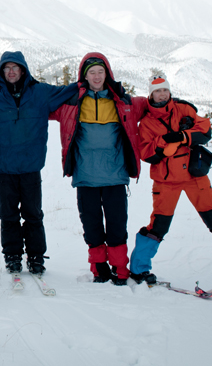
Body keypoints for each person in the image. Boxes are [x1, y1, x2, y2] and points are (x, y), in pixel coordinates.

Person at [128, 74, 212, 284]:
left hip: (194, 176)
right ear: (151, 95)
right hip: (165, 181)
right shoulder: (146, 122)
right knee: (158, 226)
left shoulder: (183, 109)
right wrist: (165, 142)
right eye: (157, 91)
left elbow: (205, 129)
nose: (162, 94)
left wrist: (184, 137)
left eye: (165, 90)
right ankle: (139, 269)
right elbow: (146, 153)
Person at [0, 51, 77, 275]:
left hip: (30, 166)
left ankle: (36, 256)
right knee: (8, 215)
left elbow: (69, 92)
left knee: (33, 214)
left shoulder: (40, 93)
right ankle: (12, 256)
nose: (11, 72)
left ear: (23, 70)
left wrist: (89, 81)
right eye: (6, 68)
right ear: (2, 72)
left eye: (15, 67)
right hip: (5, 167)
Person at [50, 52, 146, 285]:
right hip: (85, 176)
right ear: (84, 76)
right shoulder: (71, 103)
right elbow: (37, 106)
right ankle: (99, 268)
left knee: (117, 226)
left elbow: (156, 103)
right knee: (92, 227)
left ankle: (120, 269)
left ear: (107, 73)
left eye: (100, 72)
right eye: (91, 72)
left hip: (115, 175)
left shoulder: (123, 102)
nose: (96, 76)